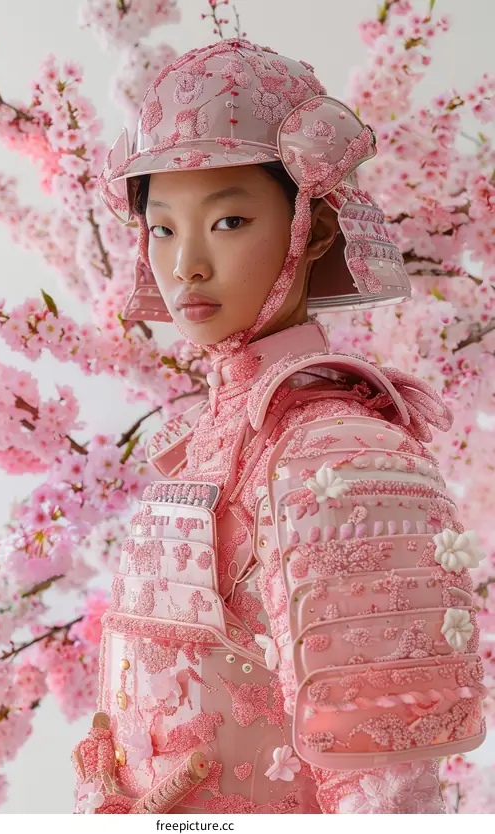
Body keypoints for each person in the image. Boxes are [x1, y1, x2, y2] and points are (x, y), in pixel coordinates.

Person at [71, 39, 486, 814]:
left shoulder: (341, 451)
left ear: (315, 232)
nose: (186, 263)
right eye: (162, 228)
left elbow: (385, 793)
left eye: (227, 220)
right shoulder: (208, 437)